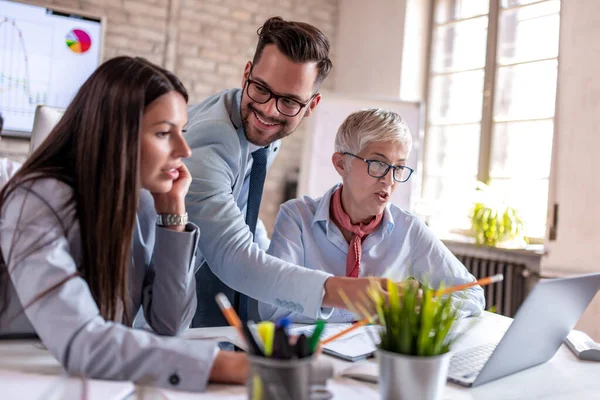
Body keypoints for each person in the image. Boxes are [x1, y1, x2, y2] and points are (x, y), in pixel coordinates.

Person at [0, 56, 247, 391]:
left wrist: (173, 216)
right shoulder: (35, 200)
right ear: (114, 134)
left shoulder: (142, 201)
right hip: (23, 379)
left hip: (96, 381)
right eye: (164, 133)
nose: (185, 150)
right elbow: (83, 340)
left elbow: (169, 325)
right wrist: (227, 365)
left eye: (182, 132)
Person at [187, 16, 391, 327]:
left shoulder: (260, 130)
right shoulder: (210, 144)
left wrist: (281, 261)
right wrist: (347, 292)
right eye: (261, 89)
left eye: (290, 102)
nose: (269, 110)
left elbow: (243, 216)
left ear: (311, 105)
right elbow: (235, 257)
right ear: (246, 74)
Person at [258, 109, 485, 323]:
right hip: (311, 354)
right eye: (378, 164)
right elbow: (271, 307)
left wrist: (420, 306)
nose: (390, 180)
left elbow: (473, 295)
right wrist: (364, 306)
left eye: (398, 167)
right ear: (341, 164)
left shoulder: (409, 228)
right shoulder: (297, 218)